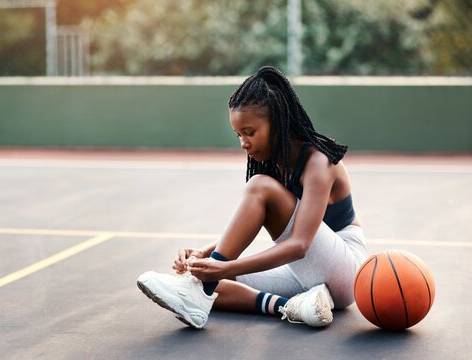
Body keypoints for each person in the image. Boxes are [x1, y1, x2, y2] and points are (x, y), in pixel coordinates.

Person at [137, 66, 368, 329]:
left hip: (346, 271)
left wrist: (223, 266)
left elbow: (300, 245)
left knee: (257, 189)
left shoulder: (318, 162)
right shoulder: (275, 162)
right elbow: (266, 237)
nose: (243, 143)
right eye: (238, 135)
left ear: (278, 123)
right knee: (205, 280)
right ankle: (293, 307)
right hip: (304, 270)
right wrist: (206, 254)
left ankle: (200, 289)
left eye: (249, 132)